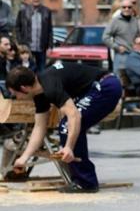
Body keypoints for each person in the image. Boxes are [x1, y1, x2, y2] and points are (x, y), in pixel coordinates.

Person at [7, 63, 122, 193]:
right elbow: (39, 127)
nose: (17, 98)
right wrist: (24, 158)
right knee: (67, 125)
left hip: (106, 85)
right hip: (95, 87)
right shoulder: (40, 93)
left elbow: (74, 115)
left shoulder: (50, 85)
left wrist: (68, 147)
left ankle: (85, 182)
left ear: (24, 88)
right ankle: (81, 177)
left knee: (66, 125)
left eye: (15, 94)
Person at [15, 0, 53, 72]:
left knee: (42, 71)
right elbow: (17, 27)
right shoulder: (23, 11)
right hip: (27, 48)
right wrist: (20, 43)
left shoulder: (47, 11)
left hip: (42, 47)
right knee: (27, 71)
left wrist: (50, 46)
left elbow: (50, 30)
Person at [103, 0, 140, 73]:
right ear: (121, 9)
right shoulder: (115, 21)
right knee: (121, 81)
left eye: (129, 7)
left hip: (134, 55)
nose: (127, 9)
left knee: (133, 81)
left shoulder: (136, 21)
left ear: (132, 9)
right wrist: (117, 47)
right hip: (121, 56)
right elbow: (105, 37)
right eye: (124, 7)